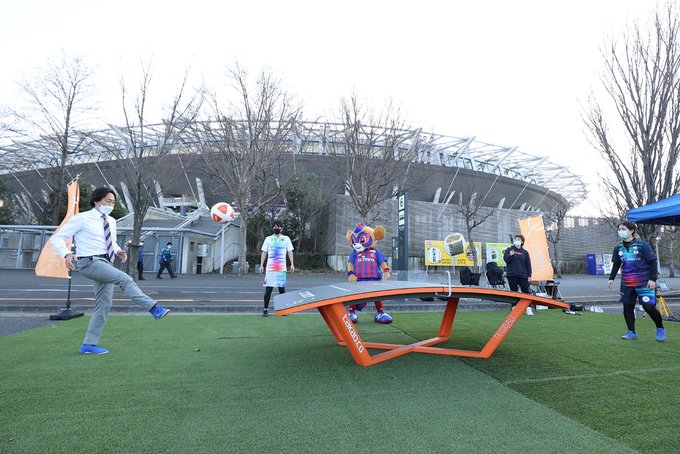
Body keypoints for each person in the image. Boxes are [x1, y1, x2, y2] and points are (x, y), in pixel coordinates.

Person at [50, 187, 170, 355]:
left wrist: (118, 250)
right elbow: (57, 237)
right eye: (108, 201)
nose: (111, 205)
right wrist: (67, 254)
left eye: (113, 202)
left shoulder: (111, 221)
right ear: (96, 201)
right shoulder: (82, 218)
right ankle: (153, 308)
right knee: (125, 279)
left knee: (104, 305)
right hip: (89, 262)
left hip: (105, 262)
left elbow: (110, 242)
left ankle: (89, 345)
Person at [608, 221, 666, 342]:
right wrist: (611, 278)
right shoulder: (618, 247)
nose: (620, 231)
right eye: (619, 229)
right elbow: (616, 264)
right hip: (627, 283)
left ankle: (660, 328)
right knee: (627, 307)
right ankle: (631, 332)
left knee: (648, 307)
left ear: (632, 230)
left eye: (623, 229)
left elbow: (653, 262)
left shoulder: (642, 245)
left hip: (644, 282)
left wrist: (652, 279)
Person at [259, 220, 295, 317]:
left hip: (281, 268)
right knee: (268, 289)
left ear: (281, 228)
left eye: (278, 227)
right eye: (275, 226)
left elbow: (290, 251)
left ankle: (283, 310)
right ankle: (265, 309)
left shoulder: (286, 239)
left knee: (281, 290)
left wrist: (292, 264)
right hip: (270, 268)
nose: (276, 228)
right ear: (272, 228)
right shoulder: (268, 239)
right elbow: (264, 252)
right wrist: (261, 264)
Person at [503, 234, 534, 316]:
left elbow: (528, 264)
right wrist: (510, 255)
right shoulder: (509, 249)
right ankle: (514, 307)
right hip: (512, 274)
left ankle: (528, 308)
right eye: (516, 239)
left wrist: (529, 275)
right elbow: (506, 260)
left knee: (526, 292)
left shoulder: (525, 252)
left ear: (522, 242)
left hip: (523, 275)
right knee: (514, 292)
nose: (517, 240)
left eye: (519, 239)